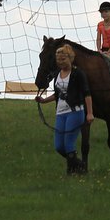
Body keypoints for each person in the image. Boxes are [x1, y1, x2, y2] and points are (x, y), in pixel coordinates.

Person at [35, 44, 94, 175]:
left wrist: (89, 113)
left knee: (68, 144)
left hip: (75, 112)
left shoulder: (78, 74)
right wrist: (43, 101)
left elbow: (87, 93)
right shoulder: (57, 74)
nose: (61, 63)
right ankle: (79, 165)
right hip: (60, 113)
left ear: (70, 58)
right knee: (59, 146)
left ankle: (72, 171)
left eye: (63, 60)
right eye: (59, 60)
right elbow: (57, 94)